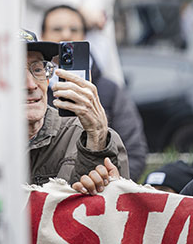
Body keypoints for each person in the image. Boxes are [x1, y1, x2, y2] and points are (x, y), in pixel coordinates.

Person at [40, 5, 148, 180]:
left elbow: (134, 152)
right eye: (57, 29)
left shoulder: (109, 90)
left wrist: (109, 188)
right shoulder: (33, 90)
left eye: (74, 29)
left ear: (84, 37)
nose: (66, 35)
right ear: (43, 36)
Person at [23, 30, 129, 194]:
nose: (31, 85)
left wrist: (96, 139)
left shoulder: (89, 135)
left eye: (37, 69)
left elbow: (116, 209)